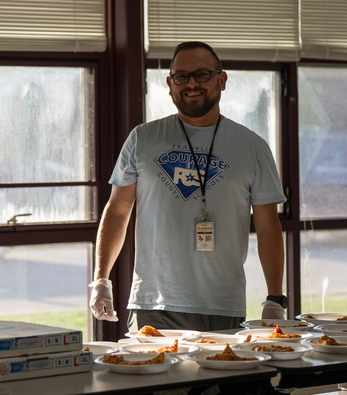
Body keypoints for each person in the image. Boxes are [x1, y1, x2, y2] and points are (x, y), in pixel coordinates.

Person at [90, 42, 287, 332]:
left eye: (202, 74)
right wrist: (101, 280)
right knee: (151, 378)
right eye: (181, 77)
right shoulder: (143, 139)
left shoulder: (252, 147)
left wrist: (274, 297)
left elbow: (268, 225)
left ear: (222, 80)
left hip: (222, 304)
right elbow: (118, 210)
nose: (191, 84)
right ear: (170, 84)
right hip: (152, 305)